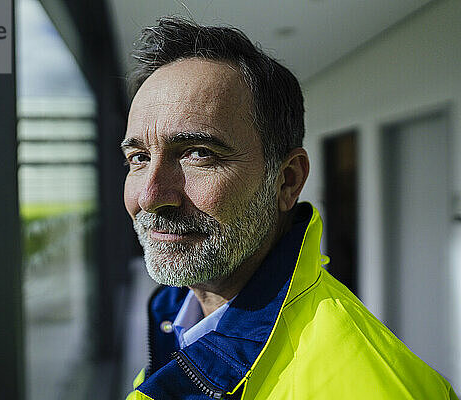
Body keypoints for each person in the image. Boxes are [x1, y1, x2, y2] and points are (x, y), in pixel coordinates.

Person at [121, 16, 457, 400]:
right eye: (138, 157)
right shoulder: (174, 313)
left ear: (287, 180)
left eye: (198, 153)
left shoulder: (372, 387)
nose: (150, 195)